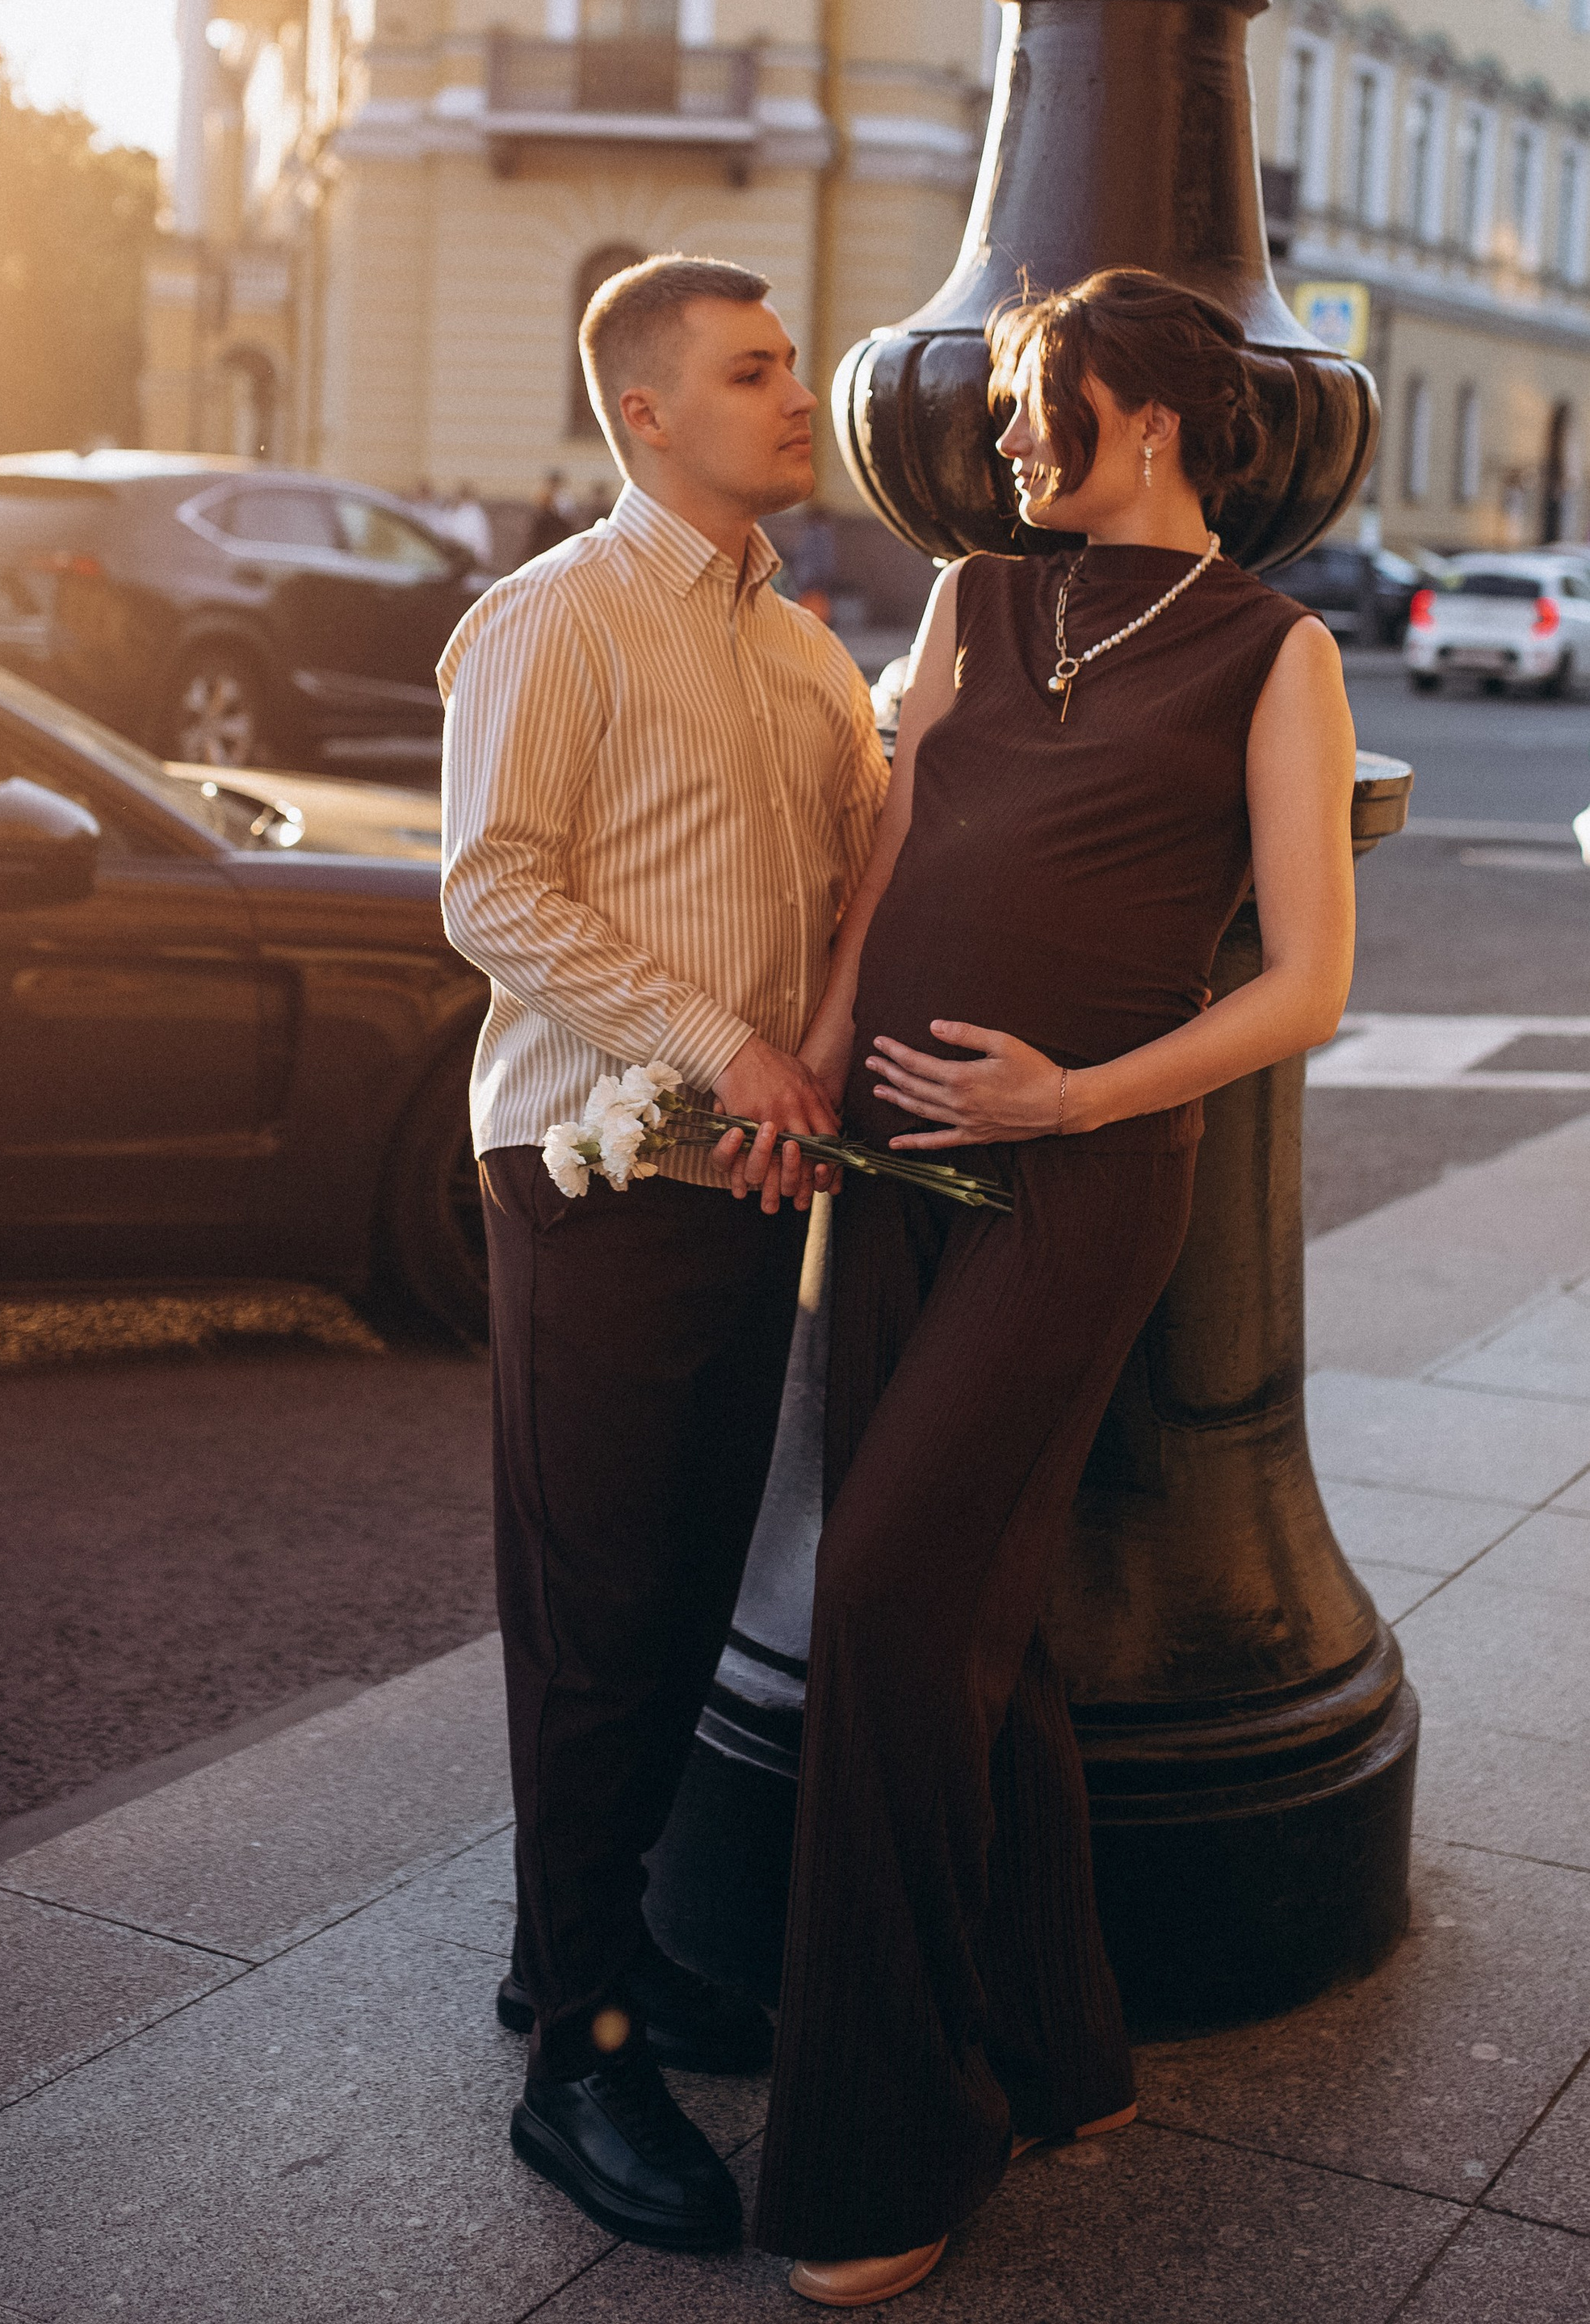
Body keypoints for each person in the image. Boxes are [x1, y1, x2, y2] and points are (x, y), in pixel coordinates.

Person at [753, 267, 1357, 2307]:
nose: (1004, 435)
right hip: (890, 1163)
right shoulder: (975, 599)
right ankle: (1061, 2050)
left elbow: (1305, 980)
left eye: (1037, 400)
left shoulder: (1271, 653)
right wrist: (828, 1053)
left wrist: (1077, 1089)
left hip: (1080, 1183)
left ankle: (891, 2128)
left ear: (1154, 419)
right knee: (967, 1611)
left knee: (884, 1592)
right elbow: (899, 835)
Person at [439, 254, 889, 2257]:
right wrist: (730, 1050)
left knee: (686, 1595)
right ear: (645, 411)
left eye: (789, 365)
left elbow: (844, 894)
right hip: (588, 1178)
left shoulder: (803, 658)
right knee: (597, 1618)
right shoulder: (551, 618)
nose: (795, 396)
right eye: (753, 370)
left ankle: (584, 1960)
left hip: (736, 1193)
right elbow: (489, 889)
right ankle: (581, 2056)